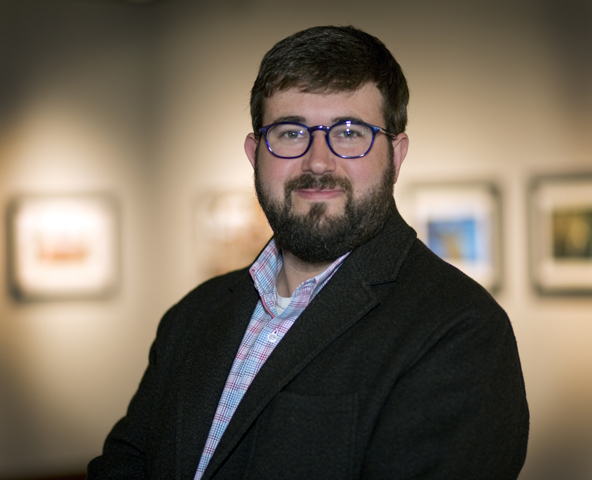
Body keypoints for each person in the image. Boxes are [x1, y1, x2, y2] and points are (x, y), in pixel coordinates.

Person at [88, 25, 529, 479]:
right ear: (254, 153)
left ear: (396, 157)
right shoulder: (191, 318)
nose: (318, 162)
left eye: (350, 132)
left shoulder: (459, 331)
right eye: (291, 132)